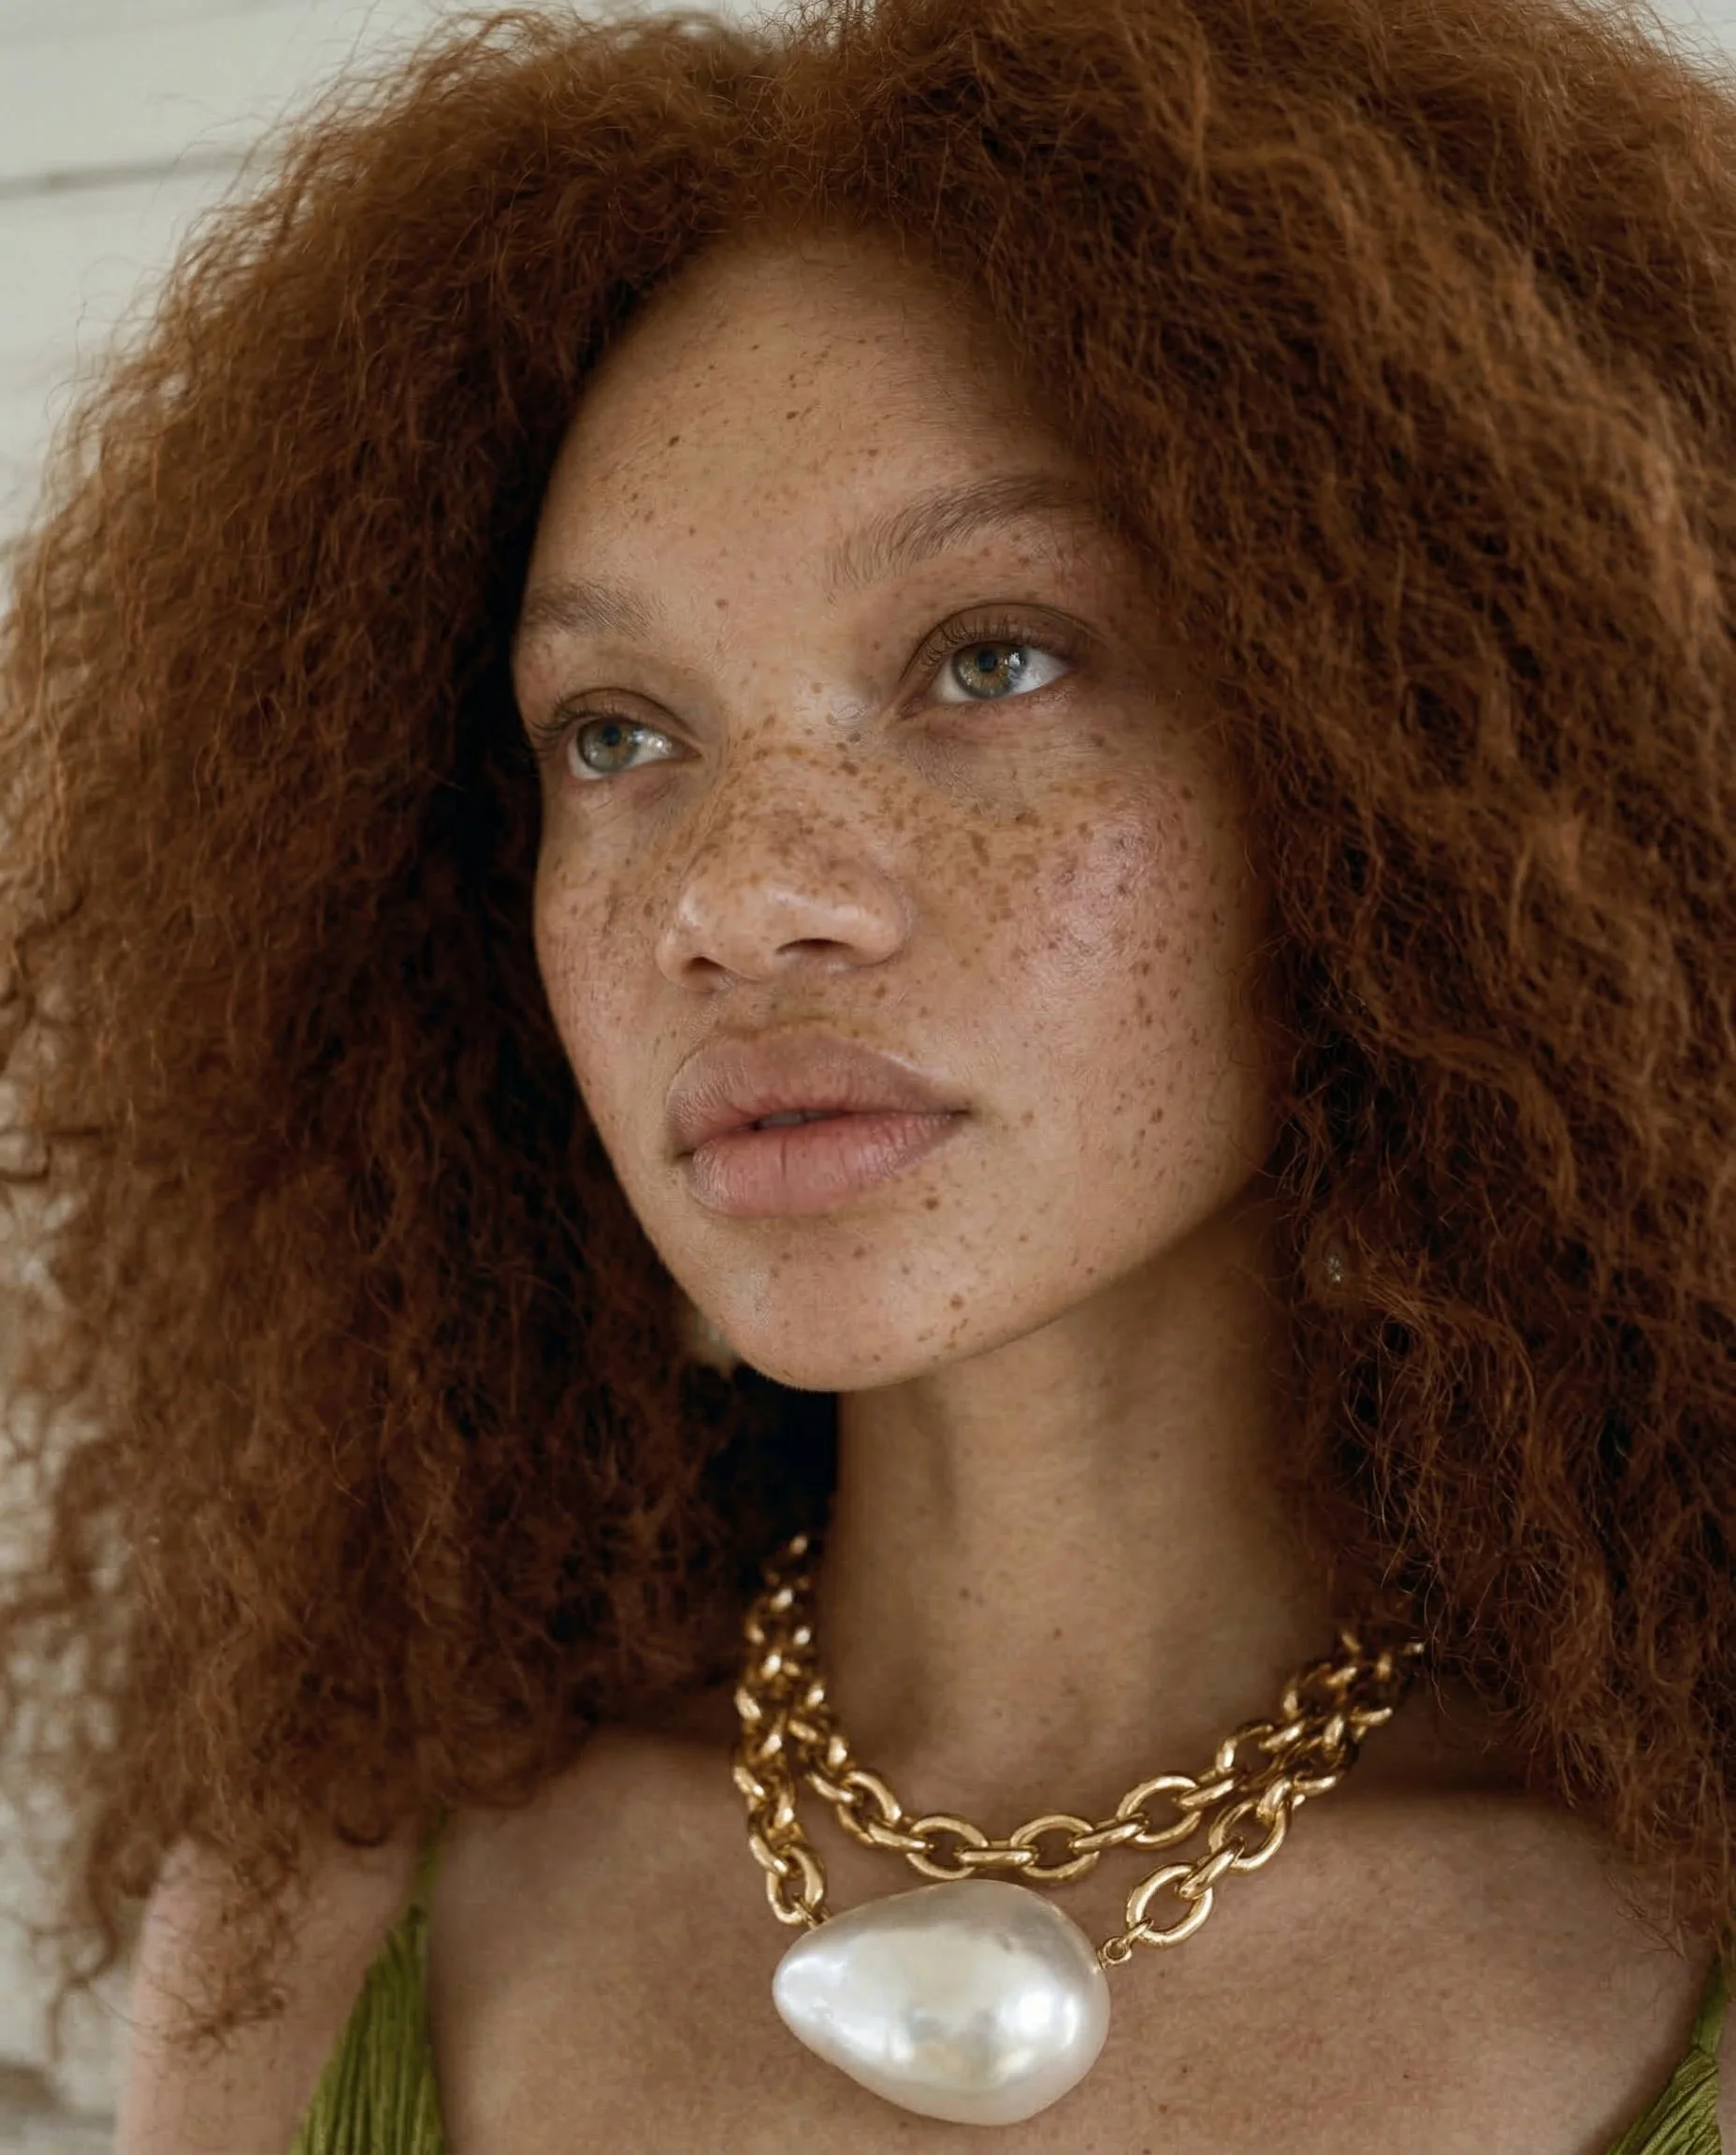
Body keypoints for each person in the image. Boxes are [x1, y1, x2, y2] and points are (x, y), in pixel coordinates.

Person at [0, 0, 1729, 2145]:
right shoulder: (324, 1922)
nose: (736, 900)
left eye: (988, 659)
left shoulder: (1671, 1937)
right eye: (614, 733)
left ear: (1408, 747)